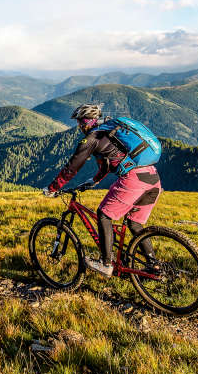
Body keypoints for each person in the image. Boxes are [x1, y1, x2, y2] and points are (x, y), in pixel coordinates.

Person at [43, 104, 161, 277]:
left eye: (81, 121)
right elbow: (109, 162)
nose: (80, 125)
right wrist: (94, 180)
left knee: (104, 214)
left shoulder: (91, 138)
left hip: (134, 179)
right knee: (134, 223)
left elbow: (73, 166)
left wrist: (53, 188)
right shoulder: (109, 134)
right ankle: (154, 266)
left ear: (88, 122)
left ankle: (106, 264)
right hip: (152, 178)